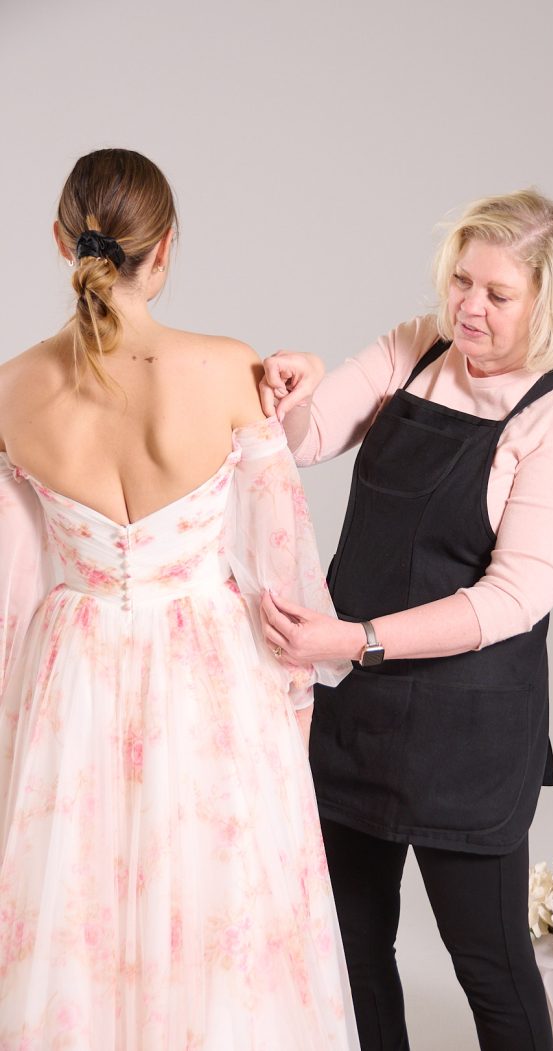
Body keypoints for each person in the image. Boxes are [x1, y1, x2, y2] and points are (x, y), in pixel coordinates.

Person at [0, 148, 360, 1049]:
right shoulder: (229, 367)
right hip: (211, 679)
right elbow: (286, 585)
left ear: (59, 241)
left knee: (74, 913)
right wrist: (294, 725)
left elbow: (8, 588)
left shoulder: (10, 391)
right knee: (222, 915)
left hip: (70, 675)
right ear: (166, 251)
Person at [258, 189, 553, 1051]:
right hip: (359, 717)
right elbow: (304, 440)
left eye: (497, 293)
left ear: (548, 302)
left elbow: (513, 598)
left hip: (470, 735)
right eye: (461, 281)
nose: (468, 307)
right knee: (351, 946)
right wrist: (289, 388)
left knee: (487, 965)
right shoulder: (417, 348)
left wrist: (357, 638)